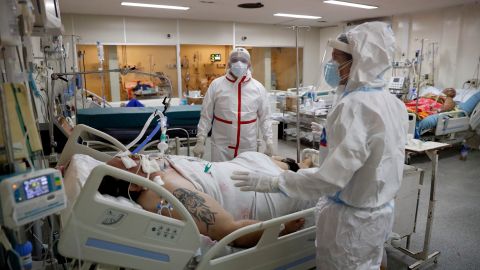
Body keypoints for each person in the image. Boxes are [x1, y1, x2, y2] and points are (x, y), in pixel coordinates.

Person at [231, 22, 409, 269]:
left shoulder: (355, 107)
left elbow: (331, 179)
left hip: (350, 224)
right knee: (371, 263)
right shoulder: (393, 104)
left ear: (359, 63)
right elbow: (375, 154)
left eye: (337, 61)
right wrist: (328, 136)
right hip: (378, 213)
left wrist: (276, 182)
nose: (331, 67)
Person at [67, 152, 315, 248]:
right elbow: (230, 231)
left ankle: (300, 165)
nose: (135, 155)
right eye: (132, 160)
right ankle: (305, 170)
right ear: (133, 183)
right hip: (264, 191)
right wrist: (282, 229)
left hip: (246, 165)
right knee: (321, 179)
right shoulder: (164, 193)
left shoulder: (154, 170)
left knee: (292, 165)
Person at [193, 47, 274, 161]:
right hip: (221, 146)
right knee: (221, 176)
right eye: (235, 59)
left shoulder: (258, 88)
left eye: (243, 60)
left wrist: (269, 141)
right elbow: (206, 115)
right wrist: (200, 140)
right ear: (229, 63)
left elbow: (265, 117)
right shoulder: (216, 85)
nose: (239, 63)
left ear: (249, 64)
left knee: (244, 177)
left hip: (248, 146)